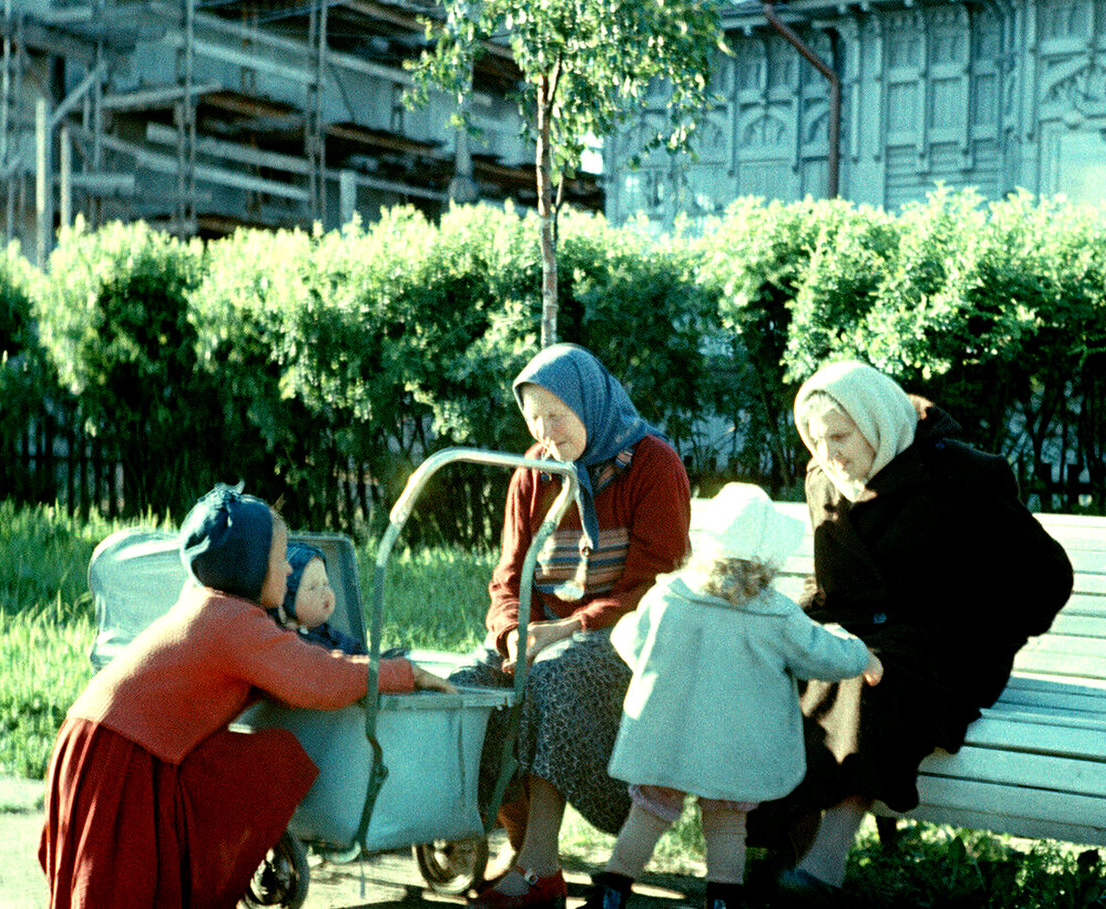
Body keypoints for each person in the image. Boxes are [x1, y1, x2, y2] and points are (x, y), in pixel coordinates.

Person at [38, 482, 453, 909]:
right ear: (250, 567)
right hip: (121, 752)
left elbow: (295, 665)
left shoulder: (210, 604)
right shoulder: (232, 622)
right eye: (280, 559)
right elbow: (318, 678)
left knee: (264, 758)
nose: (290, 571)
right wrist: (405, 673)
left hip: (101, 739)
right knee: (121, 890)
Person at [764, 360, 1074, 906]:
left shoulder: (961, 475)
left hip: (952, 651)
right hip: (867, 640)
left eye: (840, 435)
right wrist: (781, 623)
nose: (827, 453)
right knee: (780, 668)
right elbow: (831, 580)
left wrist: (982, 633)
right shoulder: (823, 480)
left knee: (865, 676)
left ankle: (823, 865)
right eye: (814, 440)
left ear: (877, 421)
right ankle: (775, 853)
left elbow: (1046, 576)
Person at [459, 343, 693, 909]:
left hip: (626, 642)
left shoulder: (653, 465)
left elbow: (652, 590)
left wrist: (565, 631)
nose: (546, 431)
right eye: (534, 418)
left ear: (590, 404)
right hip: (543, 638)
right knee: (474, 685)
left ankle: (539, 867)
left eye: (556, 416)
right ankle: (519, 849)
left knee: (551, 680)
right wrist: (514, 633)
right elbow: (508, 577)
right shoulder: (533, 472)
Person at [581, 483, 882, 909]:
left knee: (648, 811)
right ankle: (722, 901)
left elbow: (630, 638)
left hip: (669, 734)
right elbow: (823, 654)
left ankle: (610, 893)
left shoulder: (669, 594)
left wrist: (665, 671)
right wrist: (862, 655)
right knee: (726, 823)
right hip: (733, 744)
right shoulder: (776, 613)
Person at [271, 541, 368, 655]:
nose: (325, 592)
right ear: (285, 598)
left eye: (326, 584)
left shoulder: (341, 641)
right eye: (312, 588)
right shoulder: (282, 644)